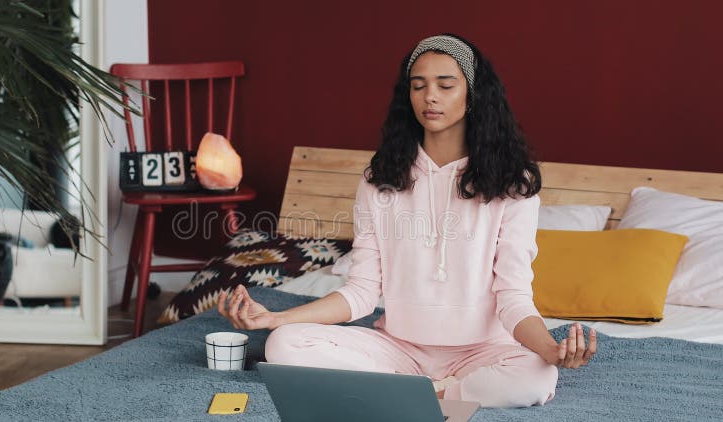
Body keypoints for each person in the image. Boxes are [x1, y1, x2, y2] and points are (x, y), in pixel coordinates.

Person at [217, 33, 597, 408]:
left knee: (536, 375)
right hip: (398, 350)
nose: (430, 96)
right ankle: (430, 390)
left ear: (474, 94)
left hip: (483, 352)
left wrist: (551, 350)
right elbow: (362, 292)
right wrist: (276, 318)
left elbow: (513, 297)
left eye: (445, 85)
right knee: (285, 344)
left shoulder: (515, 184)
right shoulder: (380, 178)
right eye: (418, 86)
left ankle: (418, 393)